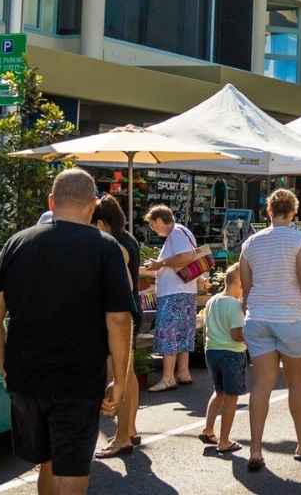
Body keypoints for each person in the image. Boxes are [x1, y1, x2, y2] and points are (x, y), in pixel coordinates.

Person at [0, 169, 134, 495]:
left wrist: (2, 364)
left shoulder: (17, 242)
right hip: (78, 378)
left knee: (48, 463)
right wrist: (120, 380)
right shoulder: (105, 248)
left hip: (26, 375)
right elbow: (119, 320)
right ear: (93, 205)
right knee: (73, 471)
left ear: (51, 201)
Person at [238, 189, 301, 471]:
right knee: (296, 385)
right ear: (293, 212)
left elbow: (246, 286)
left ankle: (255, 449)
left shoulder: (251, 243)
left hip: (259, 318)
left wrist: (249, 310)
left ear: (268, 212)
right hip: (291, 318)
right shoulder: (300, 240)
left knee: (261, 385)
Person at [90, 195, 143, 459]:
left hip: (119, 316)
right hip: (132, 311)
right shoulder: (129, 239)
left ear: (101, 223)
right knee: (128, 376)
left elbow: (125, 285)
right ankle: (129, 429)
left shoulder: (112, 245)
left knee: (118, 378)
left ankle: (122, 437)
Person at [140, 205, 199, 392]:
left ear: (159, 220)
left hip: (174, 293)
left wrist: (161, 263)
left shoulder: (176, 233)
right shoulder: (182, 231)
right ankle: (183, 372)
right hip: (184, 291)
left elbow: (187, 256)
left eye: (152, 225)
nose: (152, 229)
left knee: (169, 334)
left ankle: (167, 378)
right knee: (182, 333)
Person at [198, 264, 247, 454]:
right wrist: (251, 336)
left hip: (212, 351)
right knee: (231, 397)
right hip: (232, 353)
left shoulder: (212, 301)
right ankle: (224, 440)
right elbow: (236, 334)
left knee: (218, 392)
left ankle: (208, 429)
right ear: (238, 284)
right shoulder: (234, 305)